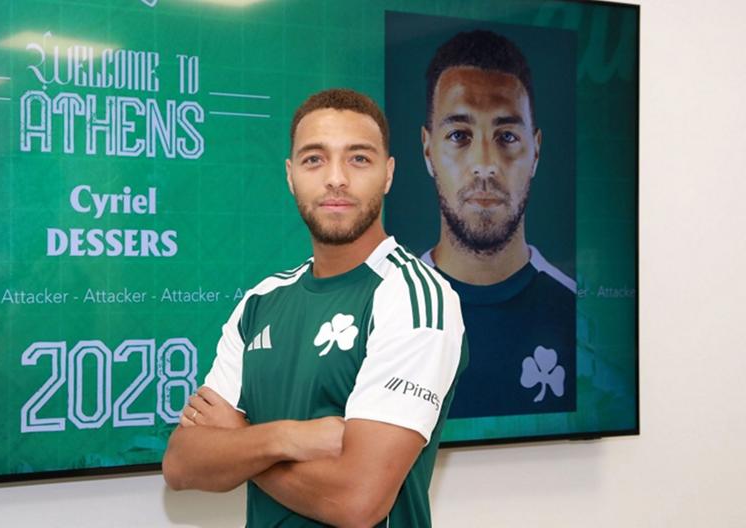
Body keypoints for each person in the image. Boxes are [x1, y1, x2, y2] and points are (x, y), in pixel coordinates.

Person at [163, 88, 466, 527]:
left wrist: (240, 441)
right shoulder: (261, 302)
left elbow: (357, 503)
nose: (336, 178)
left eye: (358, 158)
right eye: (314, 159)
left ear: (388, 174)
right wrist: (288, 438)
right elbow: (182, 463)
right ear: (290, 175)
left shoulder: (414, 297)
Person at [419, 30, 576, 418]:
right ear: (428, 151)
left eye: (506, 136)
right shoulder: (383, 307)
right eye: (459, 135)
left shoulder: (581, 316)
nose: (485, 164)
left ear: (535, 152)